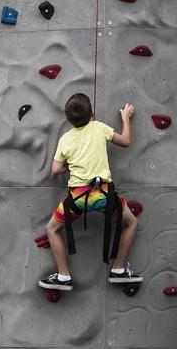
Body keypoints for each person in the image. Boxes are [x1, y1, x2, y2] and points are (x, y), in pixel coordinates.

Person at [38, 94, 142, 290]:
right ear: (92, 114)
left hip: (77, 199)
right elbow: (126, 141)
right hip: (104, 197)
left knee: (52, 229)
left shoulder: (65, 139)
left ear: (68, 119)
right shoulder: (99, 127)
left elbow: (55, 169)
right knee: (131, 223)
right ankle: (118, 269)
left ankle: (63, 276)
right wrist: (126, 118)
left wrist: (71, 166)